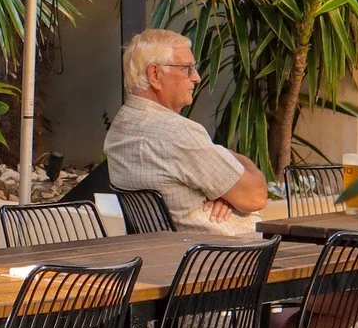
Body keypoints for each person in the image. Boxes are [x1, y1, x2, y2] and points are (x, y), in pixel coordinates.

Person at [103, 27, 269, 236]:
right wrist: (235, 162)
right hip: (225, 257)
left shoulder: (121, 128)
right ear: (154, 74)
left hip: (171, 254)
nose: (197, 77)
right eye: (187, 68)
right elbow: (255, 196)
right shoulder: (176, 132)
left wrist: (224, 193)